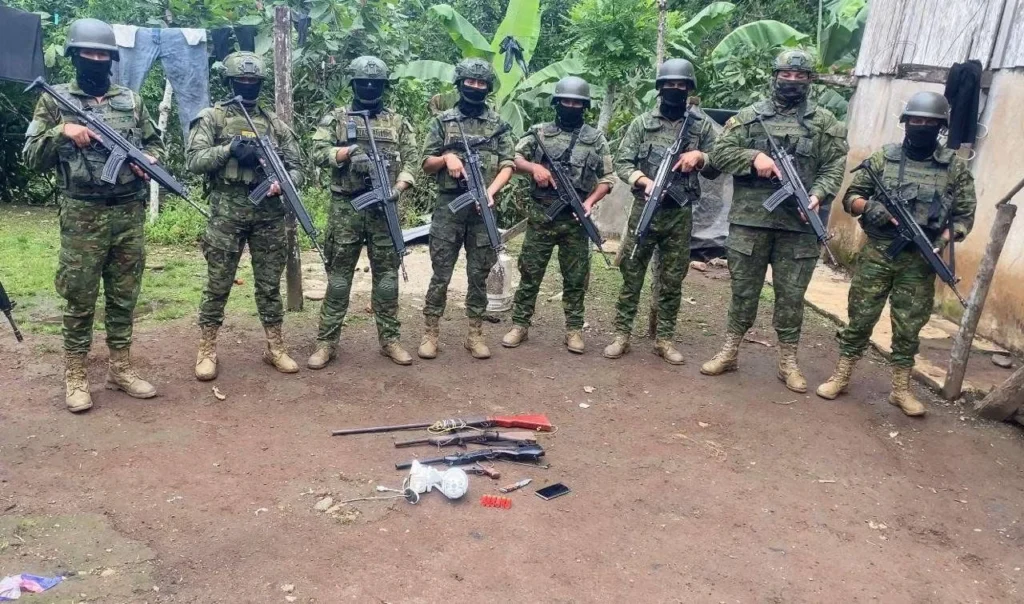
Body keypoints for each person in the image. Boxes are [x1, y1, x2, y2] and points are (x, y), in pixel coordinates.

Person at [23, 18, 165, 413]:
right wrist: (62, 131)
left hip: (128, 213)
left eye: (104, 54)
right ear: (75, 56)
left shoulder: (132, 101)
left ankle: (120, 368)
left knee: (124, 295)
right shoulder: (54, 101)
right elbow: (31, 156)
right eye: (89, 53)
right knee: (80, 296)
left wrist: (151, 160)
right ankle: (76, 374)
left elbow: (155, 143)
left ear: (113, 59)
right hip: (82, 214)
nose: (97, 60)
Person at [816, 92, 976, 416]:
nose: (922, 127)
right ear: (906, 123)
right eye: (916, 120)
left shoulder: (954, 169)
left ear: (940, 127)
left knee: (908, 326)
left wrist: (943, 241)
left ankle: (901, 390)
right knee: (860, 317)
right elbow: (852, 197)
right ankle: (842, 375)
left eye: (929, 123)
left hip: (919, 261)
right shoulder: (882, 159)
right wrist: (869, 207)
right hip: (878, 254)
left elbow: (963, 216)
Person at [701, 49, 848, 391]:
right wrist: (756, 157)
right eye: (786, 75)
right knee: (743, 291)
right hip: (750, 224)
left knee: (792, 296)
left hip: (798, 227)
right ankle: (730, 350)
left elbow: (834, 166)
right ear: (775, 76)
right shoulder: (750, 116)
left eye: (800, 77)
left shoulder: (825, 123)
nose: (792, 81)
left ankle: (788, 360)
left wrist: (819, 194)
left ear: (810, 80)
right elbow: (720, 154)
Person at [186, 51, 305, 380]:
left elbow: (299, 169)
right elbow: (194, 160)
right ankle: (207, 349)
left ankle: (275, 346)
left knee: (269, 285)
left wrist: (283, 183)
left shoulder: (275, 124)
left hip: (268, 213)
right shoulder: (213, 118)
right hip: (227, 211)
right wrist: (228, 150)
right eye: (242, 81)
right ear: (230, 82)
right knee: (218, 283)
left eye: (254, 82)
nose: (248, 86)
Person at [603, 59, 720, 365]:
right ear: (659, 88)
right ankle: (622, 334)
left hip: (679, 213)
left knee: (672, 278)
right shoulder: (643, 123)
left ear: (689, 89)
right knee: (632, 273)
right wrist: (644, 181)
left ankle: (664, 338)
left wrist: (700, 156)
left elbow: (718, 164)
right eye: (669, 84)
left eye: (681, 85)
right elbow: (623, 163)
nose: (675, 89)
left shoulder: (701, 126)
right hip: (645, 208)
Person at [306, 56, 418, 369]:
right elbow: (317, 152)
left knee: (386, 279)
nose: (370, 87)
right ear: (353, 84)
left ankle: (390, 340)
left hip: (385, 207)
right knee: (339, 279)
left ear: (384, 86)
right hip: (346, 207)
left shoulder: (397, 122)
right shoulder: (337, 118)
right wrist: (346, 153)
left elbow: (412, 160)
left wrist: (398, 187)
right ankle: (326, 343)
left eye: (376, 84)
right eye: (364, 83)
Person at [502, 76, 614, 354]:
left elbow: (608, 178)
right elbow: (512, 159)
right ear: (557, 103)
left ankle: (574, 330)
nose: (571, 106)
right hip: (541, 217)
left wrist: (588, 202)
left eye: (577, 102)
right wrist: (534, 169)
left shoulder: (595, 139)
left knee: (575, 278)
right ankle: (520, 324)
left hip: (575, 221)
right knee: (530, 273)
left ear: (584, 105)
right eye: (566, 101)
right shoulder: (539, 132)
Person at [418, 58, 515, 360]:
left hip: (482, 209)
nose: (475, 87)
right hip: (449, 208)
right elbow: (425, 164)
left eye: (481, 83)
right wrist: (446, 157)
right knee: (441, 273)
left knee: (479, 273)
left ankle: (475, 333)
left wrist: (490, 191)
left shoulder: (498, 124)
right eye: (470, 82)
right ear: (460, 84)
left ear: (488, 87)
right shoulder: (443, 121)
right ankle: (431, 332)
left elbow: (508, 164)